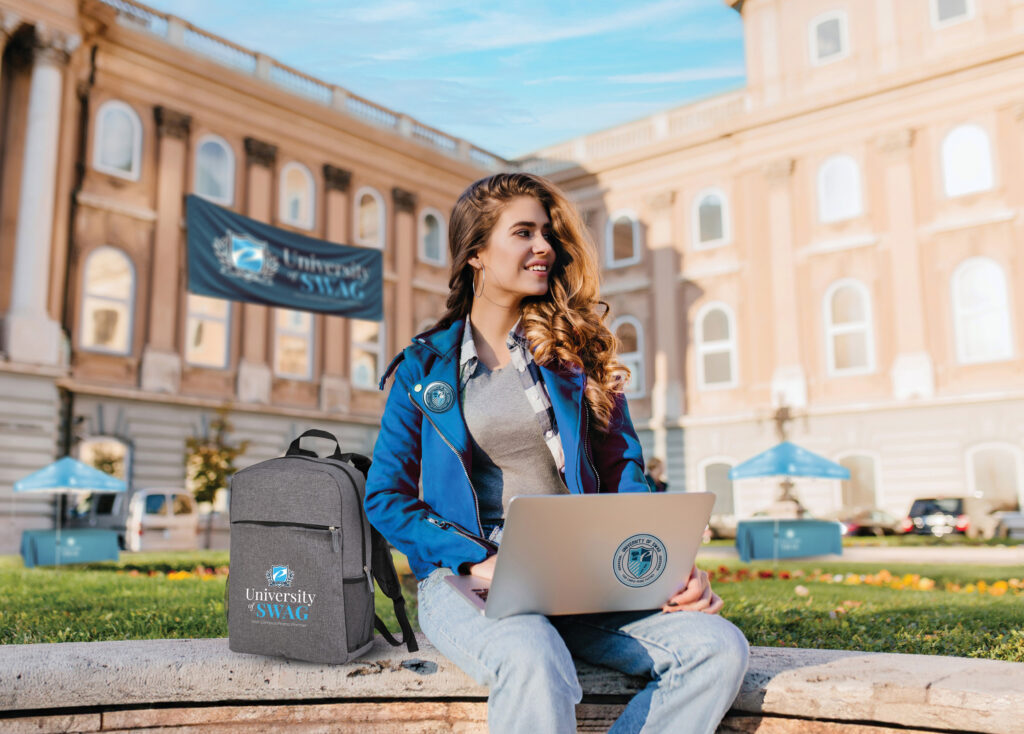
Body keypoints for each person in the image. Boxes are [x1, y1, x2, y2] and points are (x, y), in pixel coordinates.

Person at [364, 172, 748, 733]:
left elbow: (623, 470)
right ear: (476, 253)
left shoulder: (576, 353)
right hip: (469, 575)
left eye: (546, 232)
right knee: (530, 652)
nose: (544, 246)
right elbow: (386, 496)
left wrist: (665, 567)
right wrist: (476, 557)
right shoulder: (423, 369)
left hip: (582, 573)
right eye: (523, 232)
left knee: (716, 646)